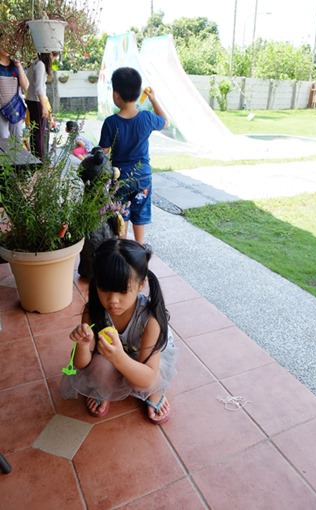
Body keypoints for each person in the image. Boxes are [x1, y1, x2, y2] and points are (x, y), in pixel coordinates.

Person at [60, 239, 176, 423]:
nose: (113, 300)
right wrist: (82, 345)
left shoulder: (150, 320)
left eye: (123, 291)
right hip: (111, 354)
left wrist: (119, 358)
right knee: (99, 369)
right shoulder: (93, 311)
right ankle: (104, 389)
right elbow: (81, 364)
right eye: (105, 289)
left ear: (141, 284)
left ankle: (155, 393)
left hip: (144, 358)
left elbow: (148, 376)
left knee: (142, 382)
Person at [99, 67, 169, 244]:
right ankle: (139, 247)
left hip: (120, 177)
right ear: (139, 93)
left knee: (121, 215)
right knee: (140, 214)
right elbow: (165, 121)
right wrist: (153, 99)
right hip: (142, 177)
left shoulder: (110, 122)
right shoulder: (146, 118)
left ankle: (121, 247)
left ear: (116, 95)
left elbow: (104, 152)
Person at [25, 52, 58, 159]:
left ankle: (35, 159)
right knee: (39, 133)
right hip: (37, 102)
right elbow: (39, 88)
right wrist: (44, 106)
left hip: (32, 100)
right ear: (50, 54)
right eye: (53, 57)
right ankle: (40, 161)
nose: (53, 60)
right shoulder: (40, 65)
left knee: (35, 132)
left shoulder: (35, 63)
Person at [0, 33, 29, 141]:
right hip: (1, 108)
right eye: (3, 41)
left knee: (16, 141)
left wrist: (19, 66)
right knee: (3, 139)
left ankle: (16, 159)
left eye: (9, 43)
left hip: (14, 107)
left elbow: (25, 86)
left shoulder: (15, 66)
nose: (6, 45)